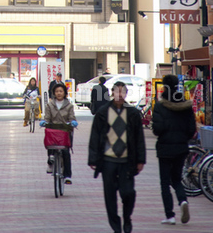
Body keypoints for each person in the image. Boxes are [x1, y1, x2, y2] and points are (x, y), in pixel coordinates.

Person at [88, 81, 146, 233]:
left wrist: (141, 160)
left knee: (128, 193)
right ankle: (116, 227)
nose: (119, 95)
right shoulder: (103, 112)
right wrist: (93, 159)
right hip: (108, 160)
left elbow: (139, 138)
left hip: (127, 160)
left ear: (126, 94)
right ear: (112, 93)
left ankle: (127, 218)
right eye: (117, 92)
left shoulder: (132, 113)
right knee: (110, 197)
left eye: (122, 92)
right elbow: (95, 136)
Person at [152, 74, 196, 225]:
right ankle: (183, 201)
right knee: (176, 179)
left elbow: (157, 129)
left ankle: (170, 215)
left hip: (164, 148)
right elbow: (192, 129)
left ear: (163, 87)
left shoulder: (159, 106)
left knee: (165, 182)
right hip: (181, 148)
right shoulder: (187, 106)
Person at [44, 82, 77, 184]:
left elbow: (72, 117)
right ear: (54, 93)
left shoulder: (69, 105)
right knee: (50, 144)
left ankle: (67, 175)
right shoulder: (50, 105)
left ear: (65, 93)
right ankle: (50, 162)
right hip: (53, 130)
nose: (59, 93)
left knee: (66, 152)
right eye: (57, 91)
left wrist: (72, 122)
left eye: (61, 91)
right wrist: (45, 122)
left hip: (65, 131)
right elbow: (47, 118)